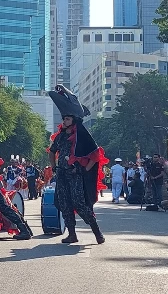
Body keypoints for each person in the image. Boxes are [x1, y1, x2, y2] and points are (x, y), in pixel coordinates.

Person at [48, 85, 108, 245]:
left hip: (75, 175)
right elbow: (52, 151)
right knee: (64, 204)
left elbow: (95, 156)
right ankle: (72, 235)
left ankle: (97, 232)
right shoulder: (60, 136)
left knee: (80, 204)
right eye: (64, 118)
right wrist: (54, 167)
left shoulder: (82, 135)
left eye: (67, 118)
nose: (64, 121)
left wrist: (83, 170)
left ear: (73, 120)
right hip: (61, 175)